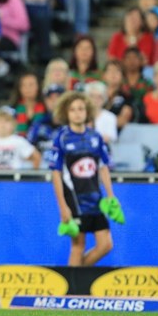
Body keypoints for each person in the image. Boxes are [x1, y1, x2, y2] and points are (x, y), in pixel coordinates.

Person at [49, 91, 120, 267]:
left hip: (96, 199)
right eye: (72, 110)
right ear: (65, 113)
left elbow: (103, 167)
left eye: (81, 108)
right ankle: (74, 282)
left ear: (87, 111)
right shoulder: (61, 139)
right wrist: (63, 206)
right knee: (78, 246)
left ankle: (77, 275)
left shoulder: (96, 137)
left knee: (106, 245)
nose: (77, 113)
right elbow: (56, 174)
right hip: (75, 200)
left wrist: (110, 195)